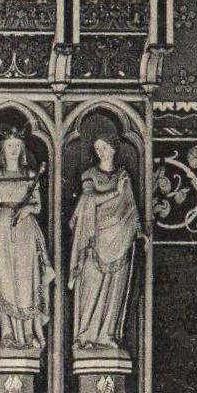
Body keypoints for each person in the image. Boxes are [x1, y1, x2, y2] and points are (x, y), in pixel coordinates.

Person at [0, 125, 54, 351]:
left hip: (25, 229)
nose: (12, 150)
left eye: (16, 146)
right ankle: (7, 333)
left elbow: (38, 205)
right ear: (2, 148)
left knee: (26, 279)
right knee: (3, 279)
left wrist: (28, 209)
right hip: (0, 228)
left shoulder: (31, 174)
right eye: (9, 146)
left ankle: (28, 333)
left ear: (22, 149)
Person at [68, 126, 141, 351]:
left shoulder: (123, 176)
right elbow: (89, 201)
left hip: (121, 240)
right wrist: (115, 193)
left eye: (105, 147)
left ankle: (106, 335)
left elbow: (131, 208)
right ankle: (86, 335)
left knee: (114, 291)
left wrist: (139, 231)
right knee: (90, 285)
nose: (101, 151)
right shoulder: (89, 175)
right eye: (97, 148)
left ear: (113, 148)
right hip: (93, 239)